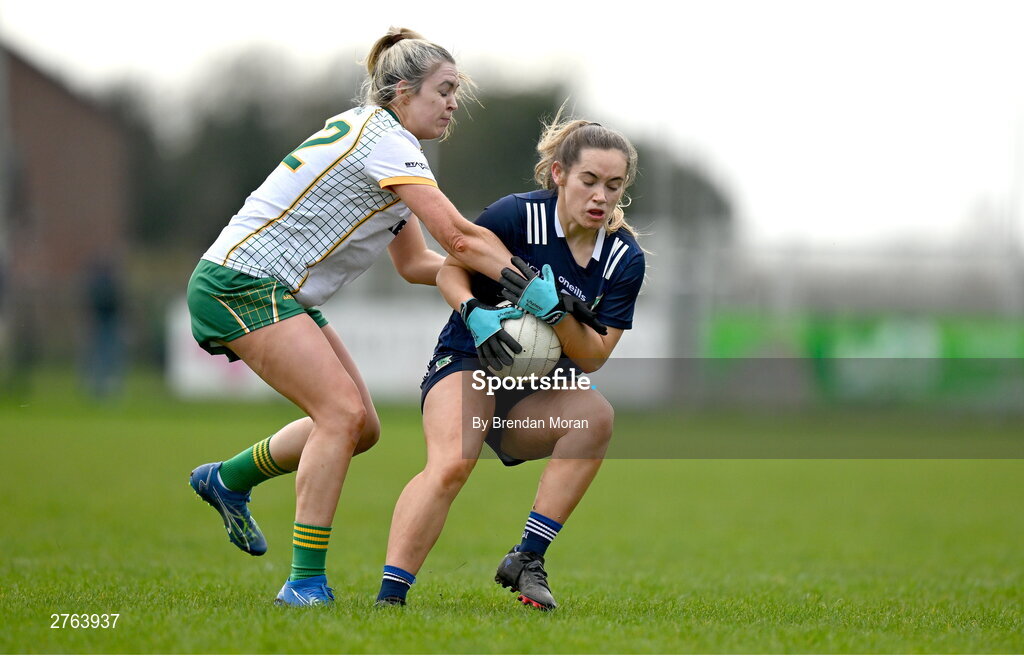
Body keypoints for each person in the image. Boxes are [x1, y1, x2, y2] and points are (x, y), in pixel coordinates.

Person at [186, 27, 518, 607]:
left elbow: (417, 262)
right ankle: (305, 583)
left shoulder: (387, 145)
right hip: (240, 283)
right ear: (401, 92)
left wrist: (493, 286)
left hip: (270, 291)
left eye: (455, 91)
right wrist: (534, 284)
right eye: (443, 90)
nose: (453, 103)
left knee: (361, 426)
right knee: (339, 414)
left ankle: (229, 478)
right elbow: (459, 237)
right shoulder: (385, 140)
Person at [374, 113, 645, 610]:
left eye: (613, 184)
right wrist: (472, 310)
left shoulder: (623, 258)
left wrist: (558, 315)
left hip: (533, 395)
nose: (600, 196)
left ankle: (527, 558)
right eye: (589, 180)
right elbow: (449, 273)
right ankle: (390, 600)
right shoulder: (516, 215)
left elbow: (594, 356)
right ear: (560, 173)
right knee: (452, 463)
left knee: (596, 417)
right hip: (468, 361)